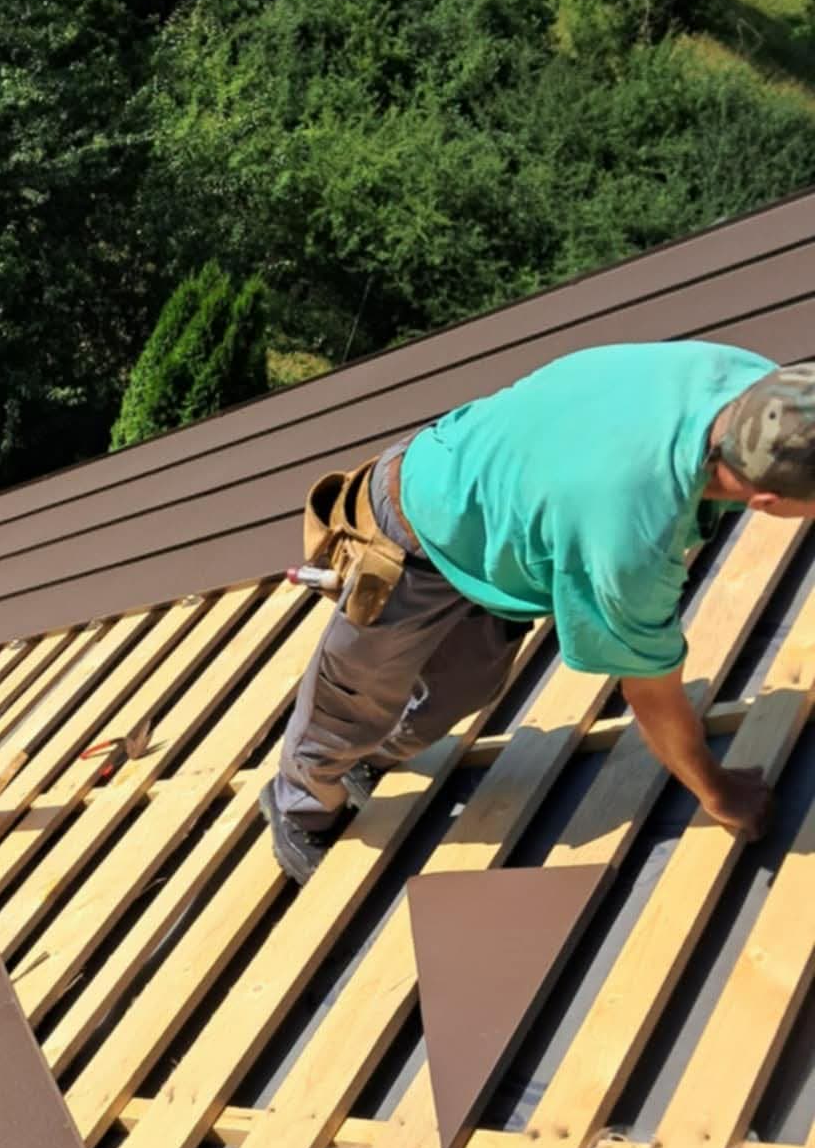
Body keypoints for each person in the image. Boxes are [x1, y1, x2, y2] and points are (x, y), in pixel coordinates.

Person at [260, 342, 815, 885]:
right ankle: (300, 806)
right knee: (353, 705)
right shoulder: (630, 534)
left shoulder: (766, 387)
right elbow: (651, 692)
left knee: (467, 689)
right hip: (416, 521)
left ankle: (371, 758)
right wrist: (717, 790)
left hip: (501, 530)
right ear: (764, 502)